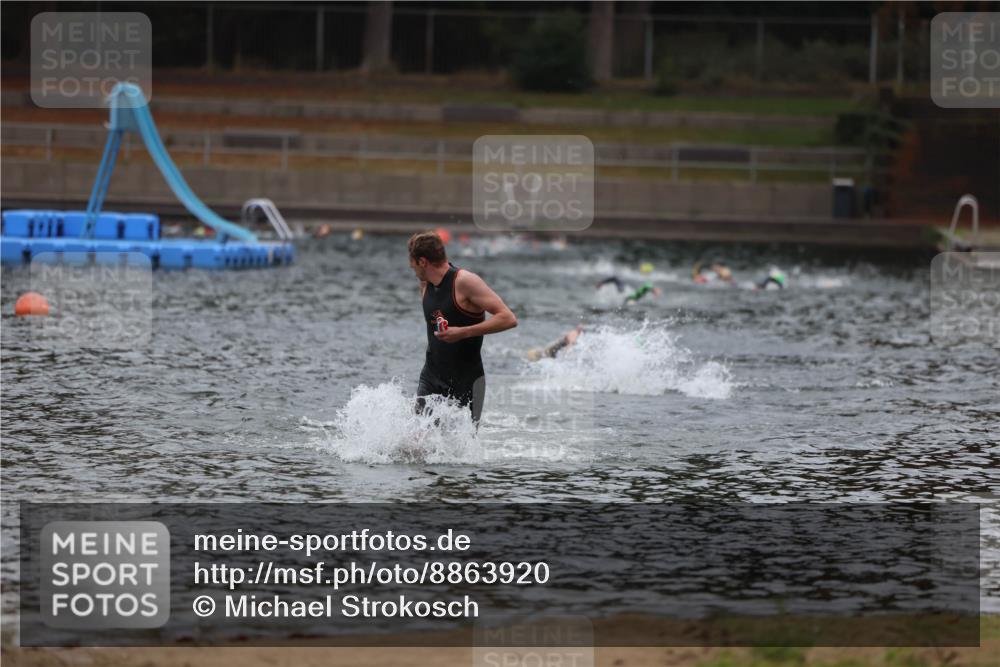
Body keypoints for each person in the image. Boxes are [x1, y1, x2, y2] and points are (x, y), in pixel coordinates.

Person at [408, 231, 517, 423]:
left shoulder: (464, 281)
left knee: (457, 451)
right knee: (415, 442)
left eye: (413, 262)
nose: (411, 268)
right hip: (431, 376)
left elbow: (508, 318)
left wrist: (463, 332)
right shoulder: (425, 284)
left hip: (468, 381)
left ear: (423, 261)